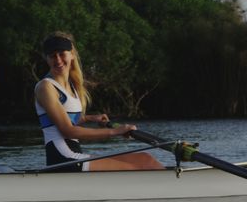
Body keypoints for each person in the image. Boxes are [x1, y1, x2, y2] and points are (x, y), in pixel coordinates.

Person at [35, 31, 164, 171]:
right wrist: (117, 132)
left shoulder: (72, 86)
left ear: (72, 54)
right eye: (52, 56)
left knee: (145, 158)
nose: (58, 60)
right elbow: (68, 130)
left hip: (72, 156)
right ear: (46, 58)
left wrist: (89, 118)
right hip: (63, 160)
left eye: (61, 54)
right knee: (146, 164)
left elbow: (63, 120)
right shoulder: (45, 87)